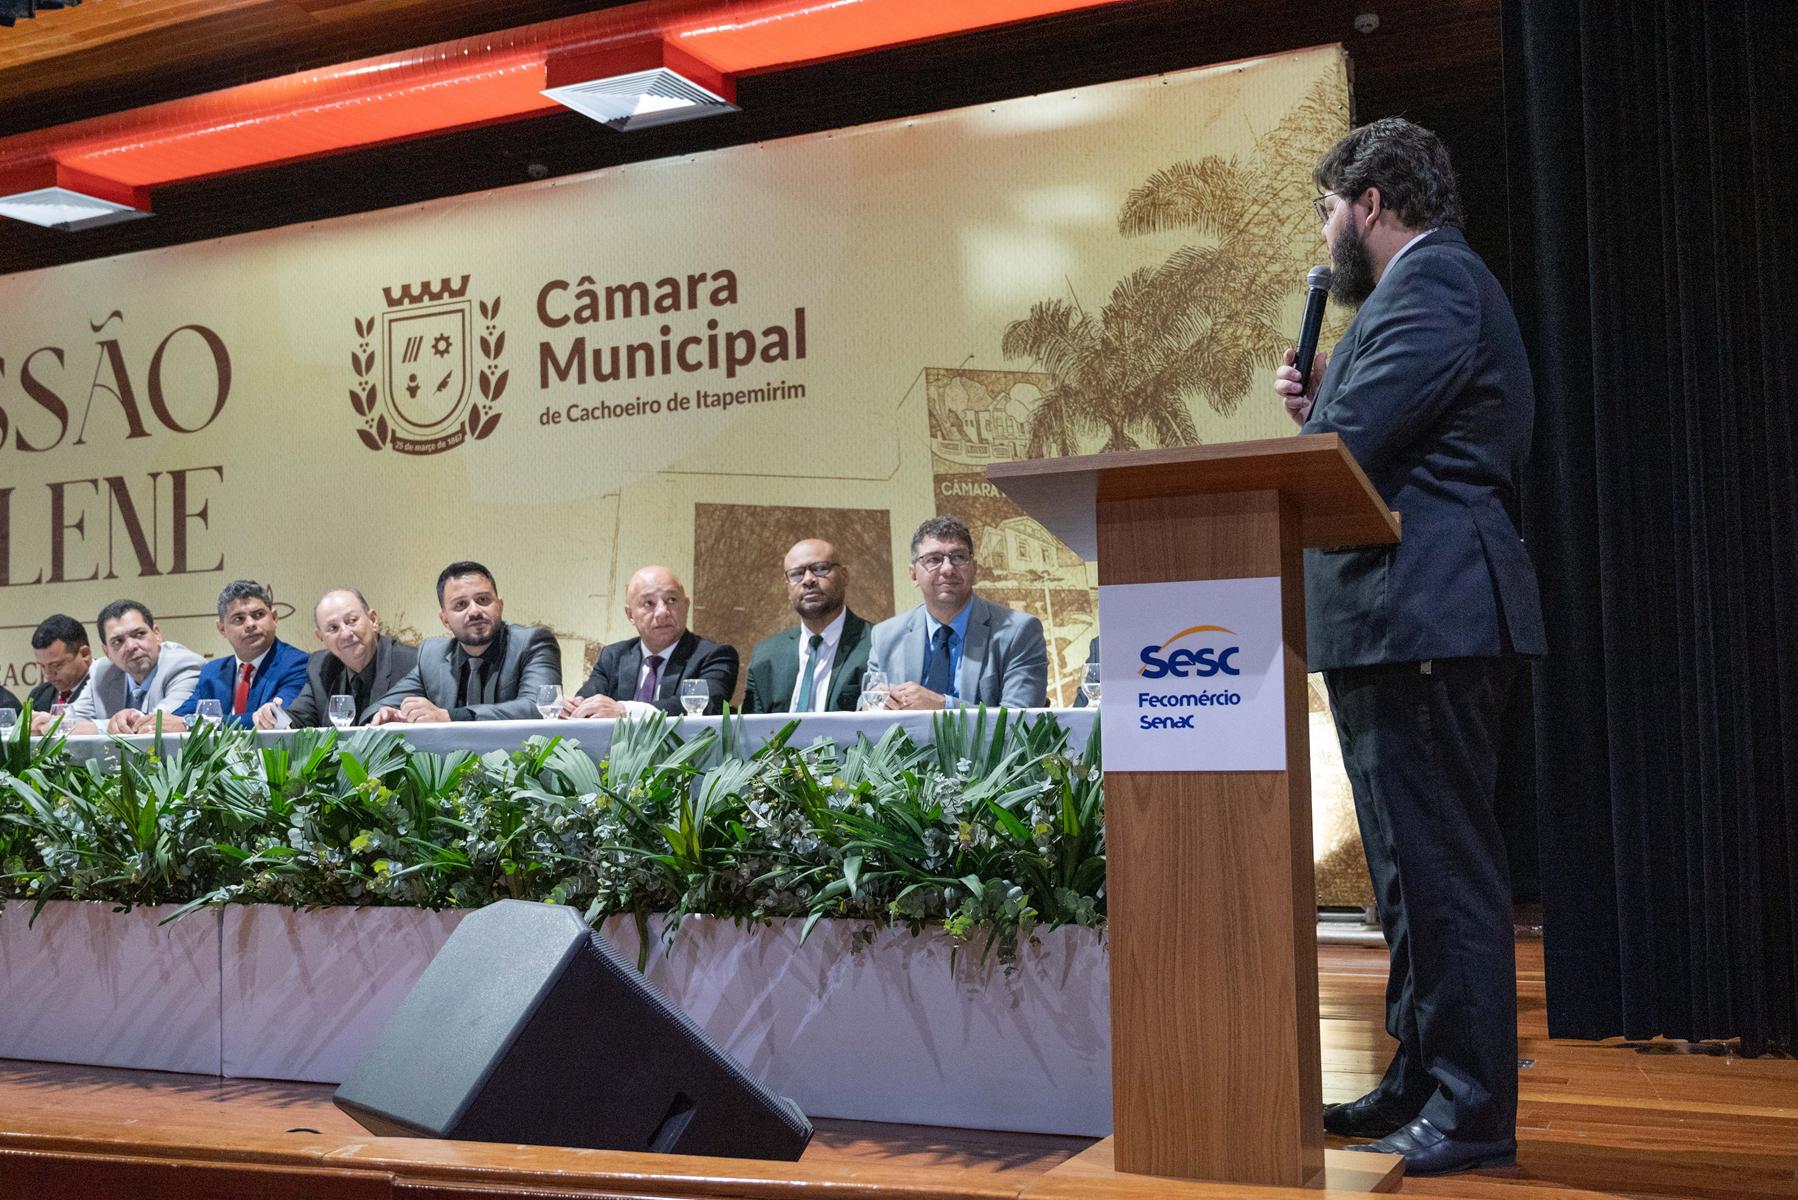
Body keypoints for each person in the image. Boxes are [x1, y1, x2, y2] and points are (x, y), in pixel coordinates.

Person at [1272, 117, 1545, 1176]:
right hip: (1393, 617)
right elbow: (1363, 435)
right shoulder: (1411, 295)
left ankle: (1472, 1110)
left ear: (1371, 203)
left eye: (1328, 210)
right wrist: (1325, 400)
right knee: (1402, 874)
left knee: (1443, 870)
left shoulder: (1433, 285)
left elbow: (1352, 442)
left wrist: (1321, 417)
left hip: (1426, 609)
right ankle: (1423, 1073)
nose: (1326, 233)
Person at [866, 516, 1048, 710]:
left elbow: (1019, 719)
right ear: (913, 575)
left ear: (974, 569)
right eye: (933, 559)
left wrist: (944, 706)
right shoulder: (885, 636)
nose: (947, 569)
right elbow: (865, 705)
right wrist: (873, 706)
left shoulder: (1019, 632)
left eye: (959, 557)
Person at [369, 561, 560, 723]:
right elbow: (375, 709)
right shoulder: (432, 655)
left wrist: (450, 716)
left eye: (483, 599)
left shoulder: (532, 643)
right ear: (445, 619)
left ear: (500, 605)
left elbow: (540, 708)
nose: (475, 611)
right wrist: (388, 715)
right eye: (461, 605)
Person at [566, 566, 738, 718]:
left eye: (671, 600)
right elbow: (587, 701)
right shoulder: (613, 656)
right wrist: (569, 707)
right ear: (630, 614)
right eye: (649, 603)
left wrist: (626, 711)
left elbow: (705, 707)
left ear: (686, 606)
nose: (662, 612)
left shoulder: (715, 656)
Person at [254, 589, 419, 729]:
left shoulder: (413, 663)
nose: (346, 634)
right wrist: (273, 717)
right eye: (333, 628)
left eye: (352, 621)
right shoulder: (320, 667)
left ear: (373, 620)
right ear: (321, 637)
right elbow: (299, 719)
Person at [742, 539, 872, 714]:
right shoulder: (766, 656)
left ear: (844, 576)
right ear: (788, 587)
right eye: (796, 574)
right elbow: (754, 727)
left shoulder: (876, 645)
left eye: (820, 569)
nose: (808, 580)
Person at [166, 581, 310, 730]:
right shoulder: (212, 672)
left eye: (258, 615)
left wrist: (191, 724)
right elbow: (179, 718)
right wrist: (156, 722)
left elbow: (274, 719)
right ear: (222, 629)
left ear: (274, 617)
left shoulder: (297, 663)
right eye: (238, 619)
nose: (250, 624)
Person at [62, 600, 205, 734]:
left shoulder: (185, 665)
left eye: (139, 634)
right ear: (107, 652)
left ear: (157, 634)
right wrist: (48, 723)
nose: (131, 646)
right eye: (118, 641)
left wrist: (99, 728)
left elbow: (160, 723)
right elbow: (67, 723)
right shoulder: (102, 671)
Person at [27, 614, 92, 718]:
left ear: (85, 654)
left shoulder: (107, 689)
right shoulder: (38, 695)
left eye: (56, 665)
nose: (48, 675)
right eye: (42, 666)